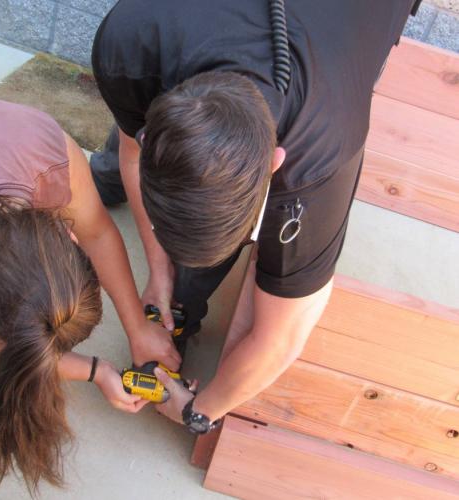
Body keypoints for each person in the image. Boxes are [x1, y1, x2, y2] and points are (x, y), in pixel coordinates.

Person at [91, 1, 421, 433]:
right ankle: (111, 182)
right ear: (153, 129)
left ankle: (184, 298)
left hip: (356, 18)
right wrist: (158, 269)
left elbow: (280, 337)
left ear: (274, 163)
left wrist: (200, 411)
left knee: (236, 272)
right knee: (132, 165)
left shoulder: (319, 157)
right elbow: (135, 150)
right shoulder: (130, 41)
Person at [0, 96, 182, 492]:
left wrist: (138, 328)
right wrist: (94, 370)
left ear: (65, 233)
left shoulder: (47, 150)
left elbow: (97, 231)